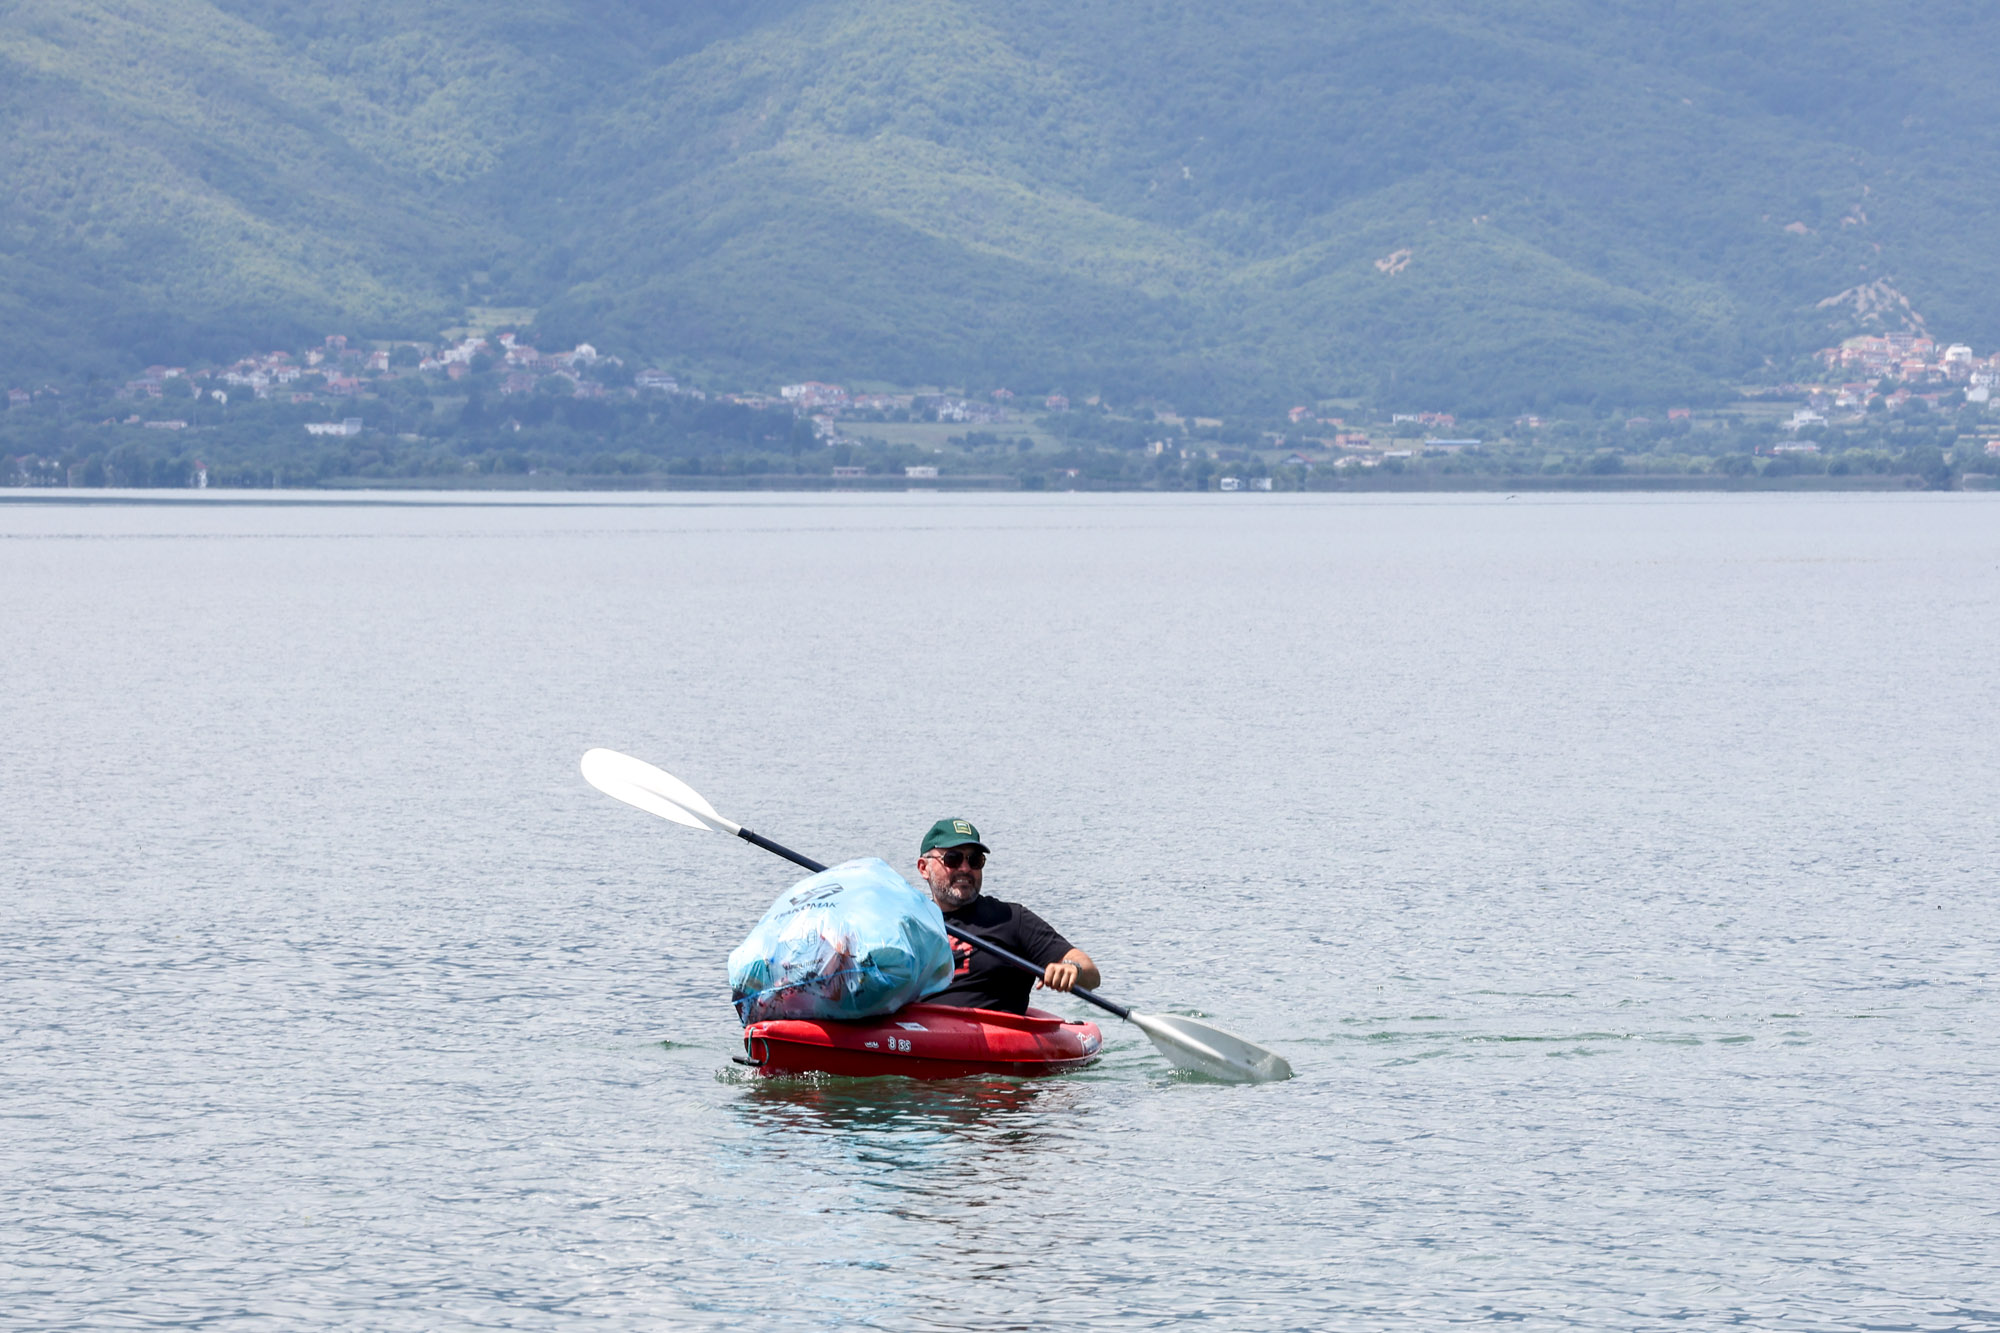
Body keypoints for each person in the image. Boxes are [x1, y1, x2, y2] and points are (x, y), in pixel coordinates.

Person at [914, 817, 1099, 1014]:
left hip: (989, 1029)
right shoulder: (910, 925)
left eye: (975, 860)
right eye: (953, 858)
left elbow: (1091, 975)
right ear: (924, 868)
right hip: (916, 1028)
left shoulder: (1012, 919)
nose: (965, 869)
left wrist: (1072, 969)